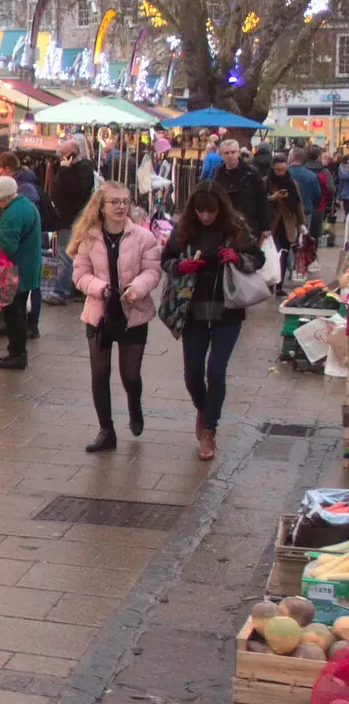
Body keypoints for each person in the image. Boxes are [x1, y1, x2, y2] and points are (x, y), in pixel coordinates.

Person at [162, 183, 263, 461]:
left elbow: (258, 258)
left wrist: (238, 258)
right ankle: (204, 408)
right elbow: (166, 259)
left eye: (210, 212)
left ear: (220, 209)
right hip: (192, 309)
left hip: (227, 308)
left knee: (216, 371)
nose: (205, 216)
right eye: (200, 211)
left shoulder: (235, 228)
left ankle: (209, 430)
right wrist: (181, 266)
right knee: (192, 373)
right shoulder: (184, 228)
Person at [69, 182, 162, 452]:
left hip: (133, 312)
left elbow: (153, 271)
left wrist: (137, 288)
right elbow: (79, 275)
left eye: (125, 201)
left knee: (130, 375)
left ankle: (134, 404)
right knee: (99, 372)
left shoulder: (144, 237)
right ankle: (106, 430)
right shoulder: (89, 237)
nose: (122, 207)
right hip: (99, 313)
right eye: (115, 202)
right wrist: (100, 288)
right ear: (102, 206)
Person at [0, 175, 40, 370]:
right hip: (26, 268)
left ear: (3, 197)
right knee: (17, 312)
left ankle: (17, 355)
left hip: (16, 271)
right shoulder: (24, 205)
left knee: (13, 313)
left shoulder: (14, 212)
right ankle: (15, 351)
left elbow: (6, 247)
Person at [0, 152, 49, 337]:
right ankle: (22, 340)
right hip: (27, 263)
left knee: (16, 311)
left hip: (20, 267)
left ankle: (20, 346)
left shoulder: (17, 207)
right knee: (19, 308)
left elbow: (8, 245)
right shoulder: (23, 200)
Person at [49, 135, 96, 302]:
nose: (59, 156)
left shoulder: (83, 169)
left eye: (63, 153)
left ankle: (60, 291)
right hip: (64, 219)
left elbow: (79, 192)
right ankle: (72, 288)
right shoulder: (65, 168)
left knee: (66, 254)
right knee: (68, 254)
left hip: (72, 219)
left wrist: (65, 170)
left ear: (72, 154)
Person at [211, 138, 270, 245]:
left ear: (238, 153)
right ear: (221, 155)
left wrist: (265, 228)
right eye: (226, 153)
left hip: (249, 223)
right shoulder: (217, 173)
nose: (230, 155)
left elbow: (262, 201)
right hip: (225, 224)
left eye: (233, 152)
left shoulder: (252, 173)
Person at [267, 154, 306, 288]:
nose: (281, 173)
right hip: (271, 223)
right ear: (273, 168)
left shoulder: (291, 182)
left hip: (287, 222)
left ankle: (279, 285)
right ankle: (270, 282)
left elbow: (298, 204)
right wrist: (273, 197)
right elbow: (259, 201)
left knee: (283, 253)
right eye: (278, 170)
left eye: (283, 169)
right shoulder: (266, 181)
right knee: (271, 254)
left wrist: (302, 224)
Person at [306, 146, 336, 242]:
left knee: (303, 236)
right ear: (319, 156)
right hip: (319, 206)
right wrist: (328, 201)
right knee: (315, 236)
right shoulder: (324, 171)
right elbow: (331, 189)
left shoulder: (303, 170)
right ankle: (312, 254)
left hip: (303, 205)